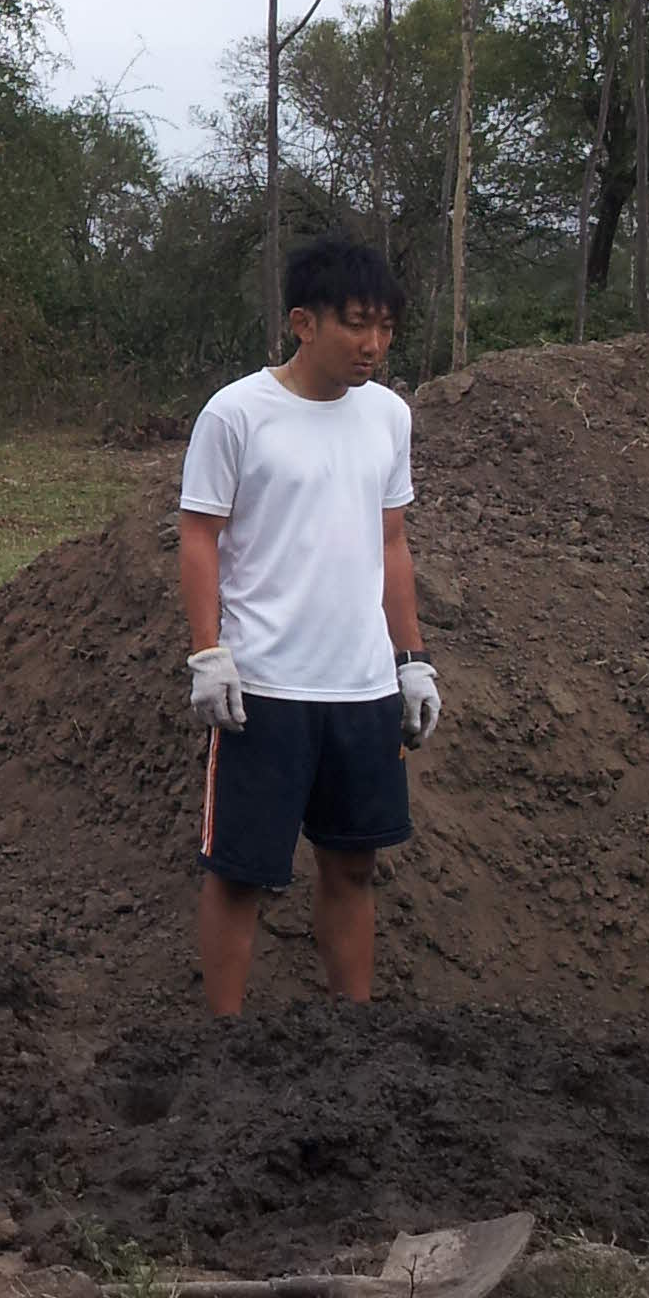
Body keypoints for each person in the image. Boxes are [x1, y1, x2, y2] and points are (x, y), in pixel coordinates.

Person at [179, 233, 440, 1021]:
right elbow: (200, 535)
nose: (374, 344)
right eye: (357, 324)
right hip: (264, 685)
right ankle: (222, 1038)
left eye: (387, 327)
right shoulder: (238, 413)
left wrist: (413, 658)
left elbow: (391, 541)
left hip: (360, 686)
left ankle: (350, 1033)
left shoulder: (389, 417)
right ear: (303, 322)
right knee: (240, 872)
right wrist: (209, 654)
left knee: (353, 865)